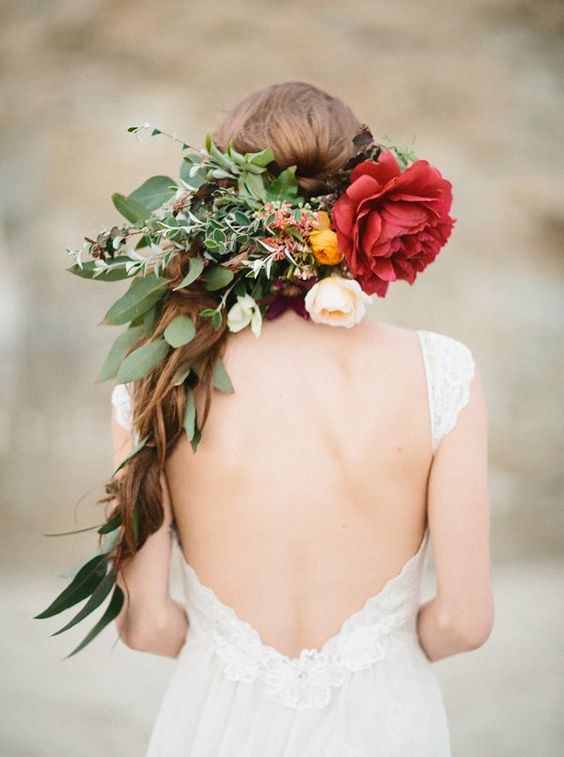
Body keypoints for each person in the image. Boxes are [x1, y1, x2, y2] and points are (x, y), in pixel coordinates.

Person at [109, 82, 494, 756]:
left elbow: (145, 625)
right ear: (357, 207)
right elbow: (464, 621)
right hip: (386, 724)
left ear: (215, 212)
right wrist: (381, 655)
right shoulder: (441, 371)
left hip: (213, 725)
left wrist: (232, 662)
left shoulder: (157, 380)